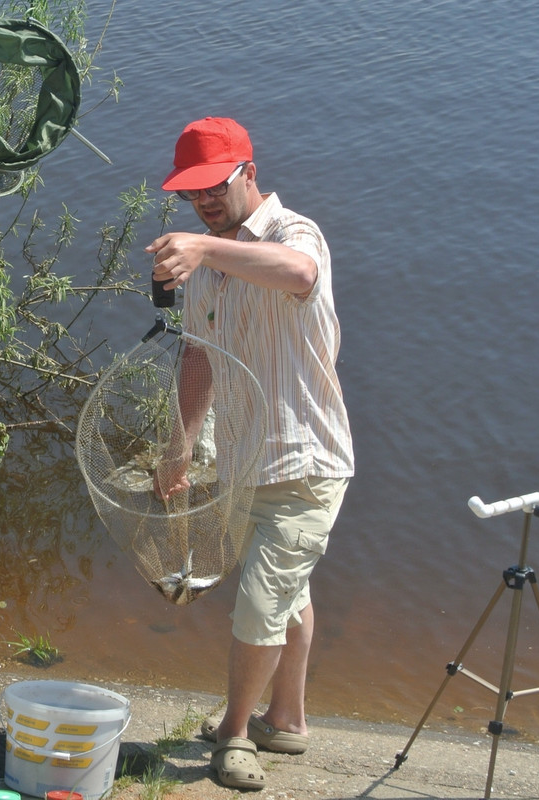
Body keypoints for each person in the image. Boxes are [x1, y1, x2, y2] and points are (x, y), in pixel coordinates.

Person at [149, 117, 354, 789]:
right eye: (192, 194)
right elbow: (198, 356)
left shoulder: (294, 234)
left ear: (249, 173)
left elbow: (297, 274)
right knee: (285, 595)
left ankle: (235, 735)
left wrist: (205, 247)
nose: (204, 201)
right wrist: (178, 446)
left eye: (216, 185)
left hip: (304, 461)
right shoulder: (205, 264)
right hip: (241, 461)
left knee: (261, 602)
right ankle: (285, 721)